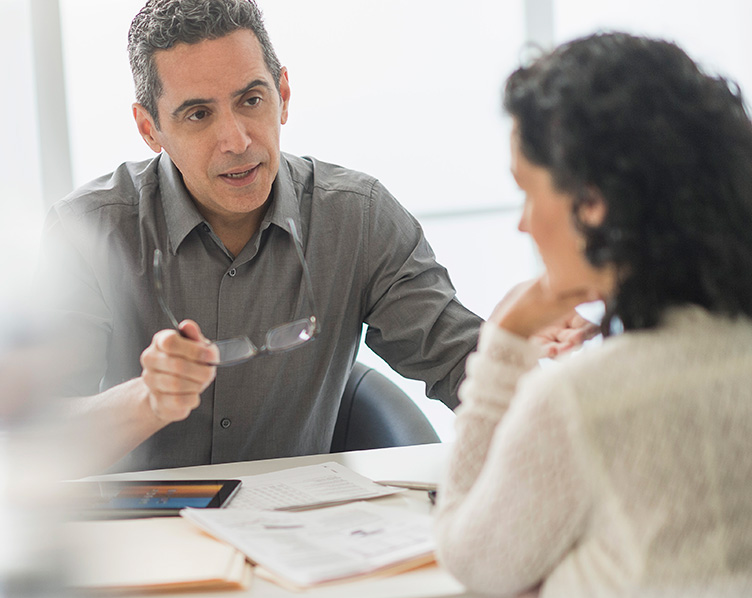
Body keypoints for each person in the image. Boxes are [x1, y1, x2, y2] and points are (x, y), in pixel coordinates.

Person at [38, 0, 579, 473]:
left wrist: (544, 355)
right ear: (149, 128)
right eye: (199, 115)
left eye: (251, 100)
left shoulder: (358, 217)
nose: (237, 139)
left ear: (284, 93)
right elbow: (37, 442)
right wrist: (147, 399)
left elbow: (460, 361)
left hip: (297, 542)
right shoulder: (88, 231)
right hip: (137, 545)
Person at [432, 33, 752, 598]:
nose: (524, 224)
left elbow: (471, 556)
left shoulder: (583, 400)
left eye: (528, 190)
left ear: (593, 202)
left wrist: (504, 341)